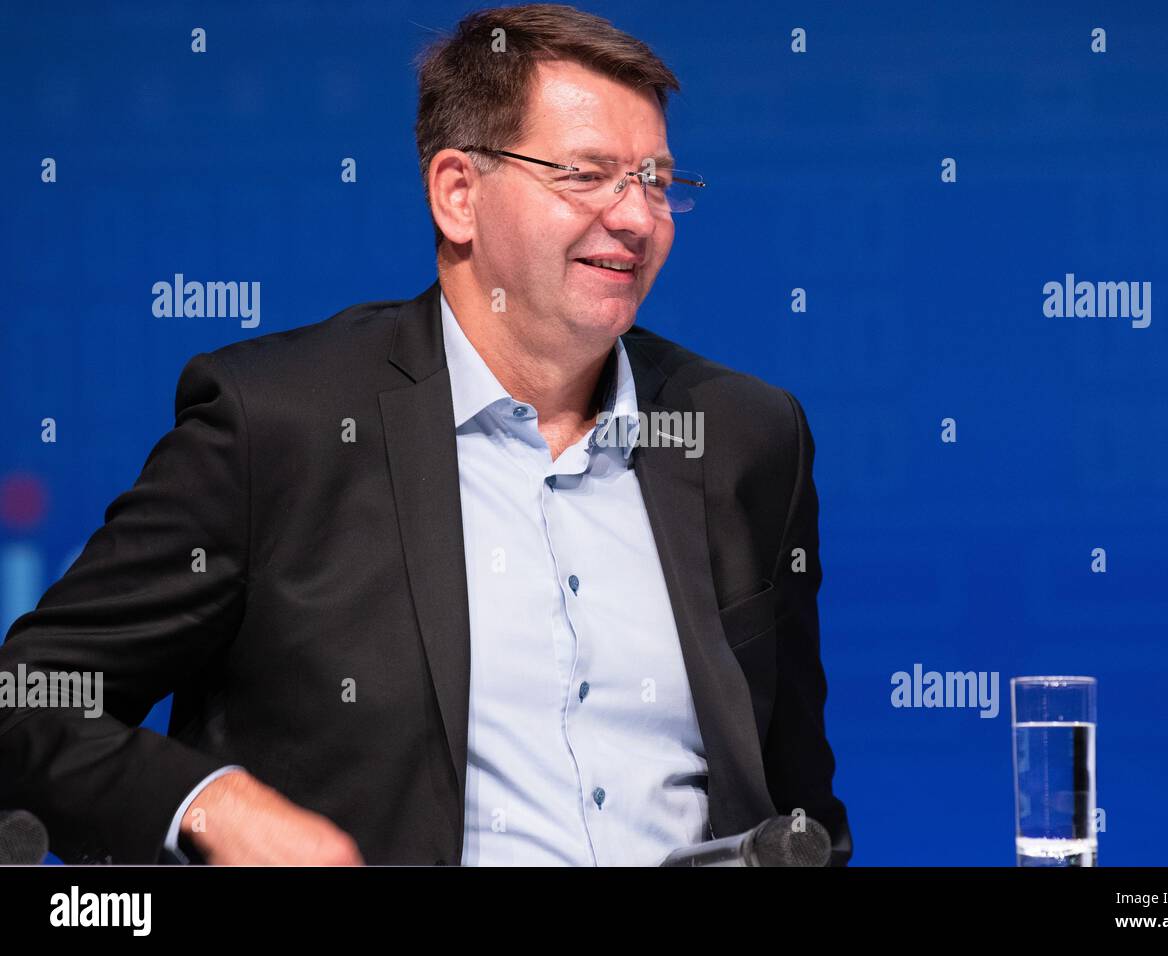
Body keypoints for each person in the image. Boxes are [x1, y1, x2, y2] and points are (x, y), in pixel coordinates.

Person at [0, 3, 852, 866]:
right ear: (458, 194)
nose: (638, 218)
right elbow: (28, 698)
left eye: (657, 180)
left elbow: (801, 817)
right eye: (588, 175)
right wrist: (209, 804)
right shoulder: (278, 424)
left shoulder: (744, 436)